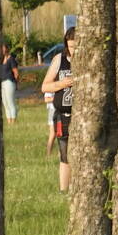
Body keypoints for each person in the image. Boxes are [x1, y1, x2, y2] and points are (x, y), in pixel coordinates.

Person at [42, 27, 75, 192]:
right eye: (71, 47)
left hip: (82, 115)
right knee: (65, 155)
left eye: (76, 46)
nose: (73, 50)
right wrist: (63, 83)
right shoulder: (59, 60)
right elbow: (45, 86)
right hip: (63, 115)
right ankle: (63, 190)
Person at [0, 44, 19, 124]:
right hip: (2, 83)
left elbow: (16, 72)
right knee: (5, 103)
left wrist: (16, 83)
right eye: (1, 49)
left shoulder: (11, 59)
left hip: (9, 82)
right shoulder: (1, 60)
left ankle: (13, 121)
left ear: (7, 49)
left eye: (4, 48)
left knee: (11, 102)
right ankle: (9, 121)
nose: (2, 50)